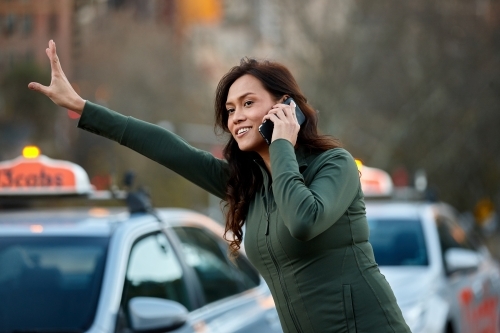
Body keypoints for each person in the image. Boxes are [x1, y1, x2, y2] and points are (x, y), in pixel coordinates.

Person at [29, 40, 411, 333]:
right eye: (230, 109)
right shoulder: (249, 185)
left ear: (285, 106)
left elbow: (304, 220)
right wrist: (82, 107)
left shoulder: (334, 164)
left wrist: (281, 143)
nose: (237, 117)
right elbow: (171, 150)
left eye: (248, 103)